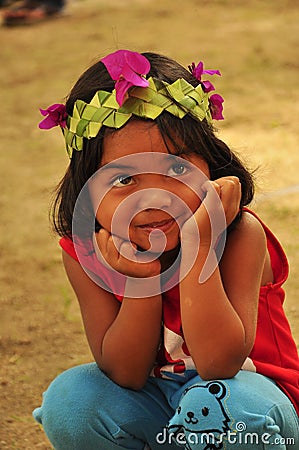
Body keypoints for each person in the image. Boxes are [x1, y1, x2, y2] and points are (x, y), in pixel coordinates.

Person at [33, 49, 299, 449]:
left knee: (222, 406)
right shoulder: (84, 250)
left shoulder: (240, 233)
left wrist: (200, 245)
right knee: (72, 400)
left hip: (253, 410)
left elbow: (218, 364)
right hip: (162, 410)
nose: (155, 199)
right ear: (87, 190)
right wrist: (140, 282)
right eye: (123, 179)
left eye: (177, 169)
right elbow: (125, 373)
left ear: (211, 165)